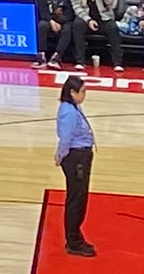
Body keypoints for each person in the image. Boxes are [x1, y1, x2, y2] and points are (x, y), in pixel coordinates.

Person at [53, 74, 96, 257]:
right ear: (72, 92)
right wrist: (60, 156)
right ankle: (73, 241)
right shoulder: (68, 112)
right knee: (76, 200)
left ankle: (75, 237)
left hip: (81, 154)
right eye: (83, 92)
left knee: (79, 198)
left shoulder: (73, 107)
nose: (85, 95)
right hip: (76, 157)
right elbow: (66, 138)